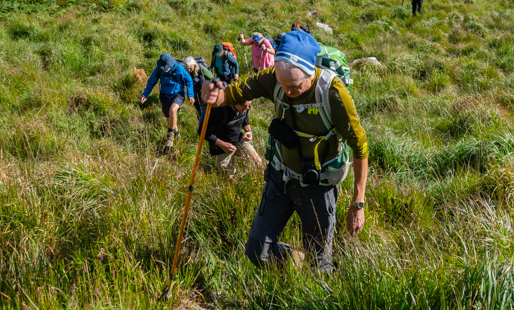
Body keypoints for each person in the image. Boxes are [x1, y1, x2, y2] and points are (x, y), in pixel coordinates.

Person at [201, 30, 368, 272]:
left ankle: (315, 281)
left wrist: (358, 203)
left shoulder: (333, 94)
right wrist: (215, 96)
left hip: (319, 185)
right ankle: (296, 259)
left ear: (311, 72)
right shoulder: (273, 78)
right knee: (257, 252)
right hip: (280, 176)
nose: (287, 91)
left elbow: (360, 148)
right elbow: (234, 94)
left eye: (295, 86)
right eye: (282, 85)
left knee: (319, 265)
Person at [140, 52, 195, 149]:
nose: (165, 69)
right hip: (164, 95)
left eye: (167, 67)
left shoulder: (179, 69)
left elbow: (188, 80)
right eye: (163, 68)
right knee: (169, 116)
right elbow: (151, 82)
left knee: (173, 110)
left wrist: (190, 94)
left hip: (178, 94)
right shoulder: (158, 70)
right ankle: (176, 132)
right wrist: (145, 94)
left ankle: (170, 138)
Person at [204, 99, 263, 175]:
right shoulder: (218, 111)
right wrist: (223, 145)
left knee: (258, 162)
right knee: (229, 177)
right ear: (235, 102)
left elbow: (245, 116)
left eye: (249, 105)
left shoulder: (244, 108)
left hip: (238, 139)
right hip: (220, 147)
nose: (248, 108)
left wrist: (248, 131)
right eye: (245, 106)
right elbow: (205, 133)